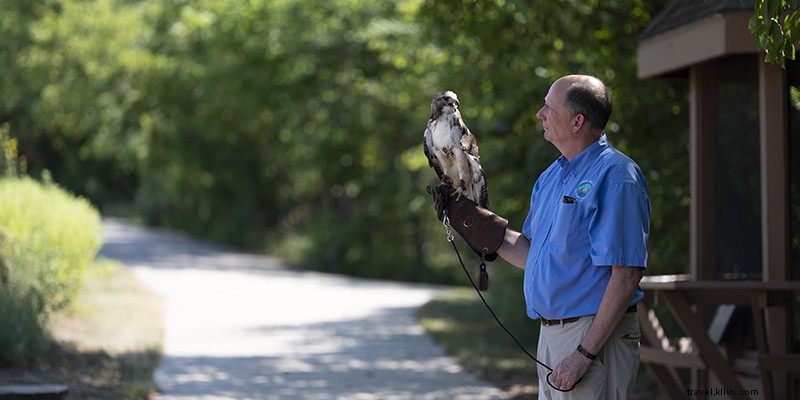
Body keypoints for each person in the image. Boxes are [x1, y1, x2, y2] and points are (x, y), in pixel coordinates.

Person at [428, 74, 649, 399]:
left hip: (593, 340)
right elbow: (533, 252)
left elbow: (626, 274)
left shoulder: (616, 177)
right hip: (551, 337)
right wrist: (477, 224)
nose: (539, 114)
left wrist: (583, 354)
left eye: (548, 107)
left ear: (577, 122)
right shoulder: (552, 177)